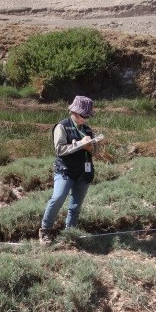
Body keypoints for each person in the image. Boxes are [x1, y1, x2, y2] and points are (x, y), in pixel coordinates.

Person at [39, 96, 101, 245]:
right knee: (58, 198)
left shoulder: (87, 130)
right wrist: (80, 144)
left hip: (84, 172)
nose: (85, 119)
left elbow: (96, 152)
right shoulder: (62, 126)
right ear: (73, 111)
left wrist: (91, 146)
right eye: (83, 115)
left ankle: (69, 233)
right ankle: (45, 231)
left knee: (75, 205)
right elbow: (59, 149)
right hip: (65, 171)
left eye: (88, 116)